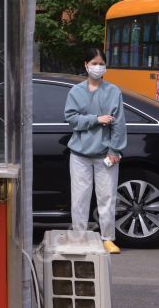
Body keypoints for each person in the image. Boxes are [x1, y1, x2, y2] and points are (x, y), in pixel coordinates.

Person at [64, 47, 127, 254]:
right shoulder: (76, 92)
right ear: (86, 65)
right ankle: (80, 236)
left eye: (101, 63)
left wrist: (114, 150)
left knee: (107, 197)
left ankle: (107, 238)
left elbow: (118, 124)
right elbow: (72, 119)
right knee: (80, 198)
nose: (98, 67)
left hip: (105, 154)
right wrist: (96, 120)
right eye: (94, 63)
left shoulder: (113, 91)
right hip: (80, 154)